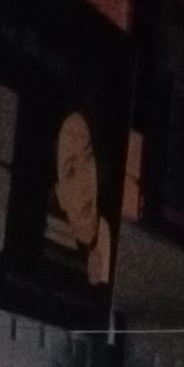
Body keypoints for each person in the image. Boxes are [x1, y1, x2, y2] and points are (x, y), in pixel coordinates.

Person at [52, 111, 112, 286]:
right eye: (71, 171)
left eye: (89, 157)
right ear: (60, 195)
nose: (85, 182)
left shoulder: (109, 235)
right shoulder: (60, 262)